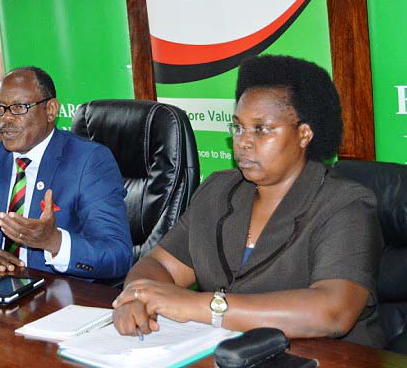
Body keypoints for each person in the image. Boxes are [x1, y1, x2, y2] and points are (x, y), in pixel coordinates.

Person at [112, 55, 385, 348]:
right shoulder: (219, 190)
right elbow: (159, 264)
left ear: (304, 134)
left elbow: (332, 312)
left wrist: (205, 306)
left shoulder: (345, 204)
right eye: (239, 127)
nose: (243, 141)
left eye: (261, 129)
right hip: (223, 353)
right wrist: (136, 296)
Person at [0, 66, 132, 280]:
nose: (6, 119)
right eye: (0, 108)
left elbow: (118, 255)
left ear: (50, 110)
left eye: (19, 107)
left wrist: (54, 241)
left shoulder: (89, 161)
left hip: (62, 295)